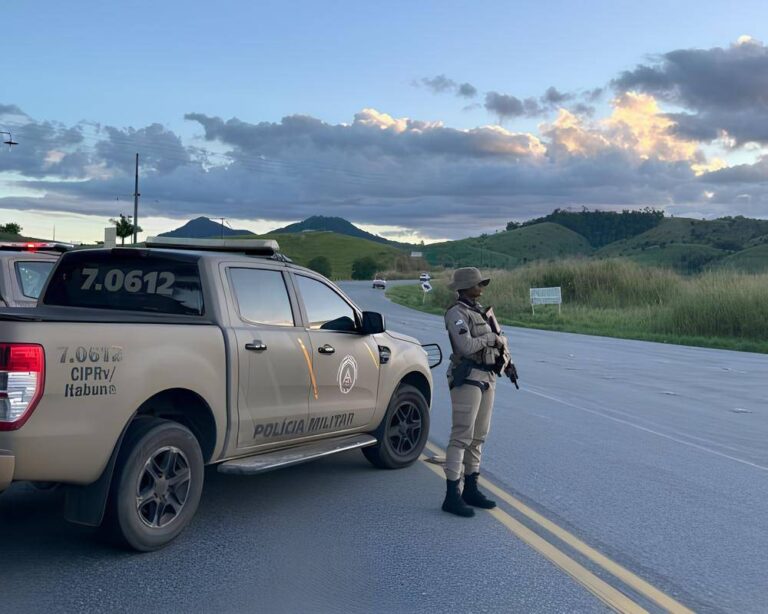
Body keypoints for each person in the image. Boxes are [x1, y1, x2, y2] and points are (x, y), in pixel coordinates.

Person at [441, 267, 505, 517]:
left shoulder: (480, 312)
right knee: (461, 437)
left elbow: (497, 339)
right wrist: (489, 340)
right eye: (478, 284)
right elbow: (465, 346)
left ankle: (471, 488)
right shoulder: (456, 313)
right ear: (465, 286)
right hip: (467, 376)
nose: (481, 288)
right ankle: (451, 495)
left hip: (487, 375)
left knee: (479, 436)